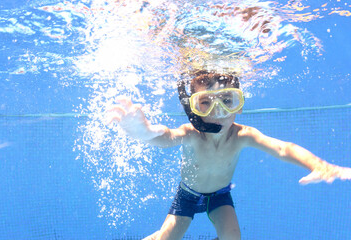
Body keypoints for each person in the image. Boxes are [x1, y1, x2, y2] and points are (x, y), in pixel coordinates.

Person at [109, 70, 351, 240]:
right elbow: (165, 137)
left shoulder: (244, 135)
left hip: (220, 195)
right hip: (188, 196)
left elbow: (282, 148)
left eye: (227, 100)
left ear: (240, 104)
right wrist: (144, 131)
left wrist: (319, 165)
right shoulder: (191, 134)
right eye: (205, 103)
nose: (219, 111)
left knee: (233, 237)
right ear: (193, 109)